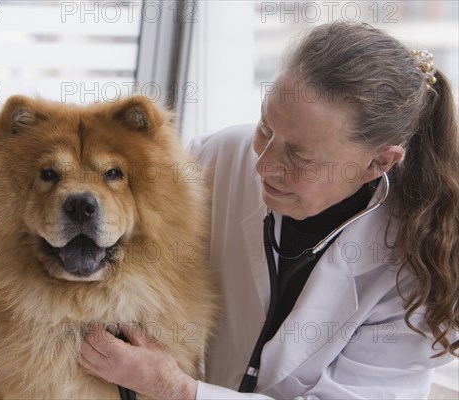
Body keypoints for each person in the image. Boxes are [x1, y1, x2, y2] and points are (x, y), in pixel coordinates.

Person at [78, 21, 459, 399]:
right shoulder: (219, 157)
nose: (263, 164)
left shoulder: (413, 268)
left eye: (299, 154)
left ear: (380, 162)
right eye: (265, 127)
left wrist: (175, 389)